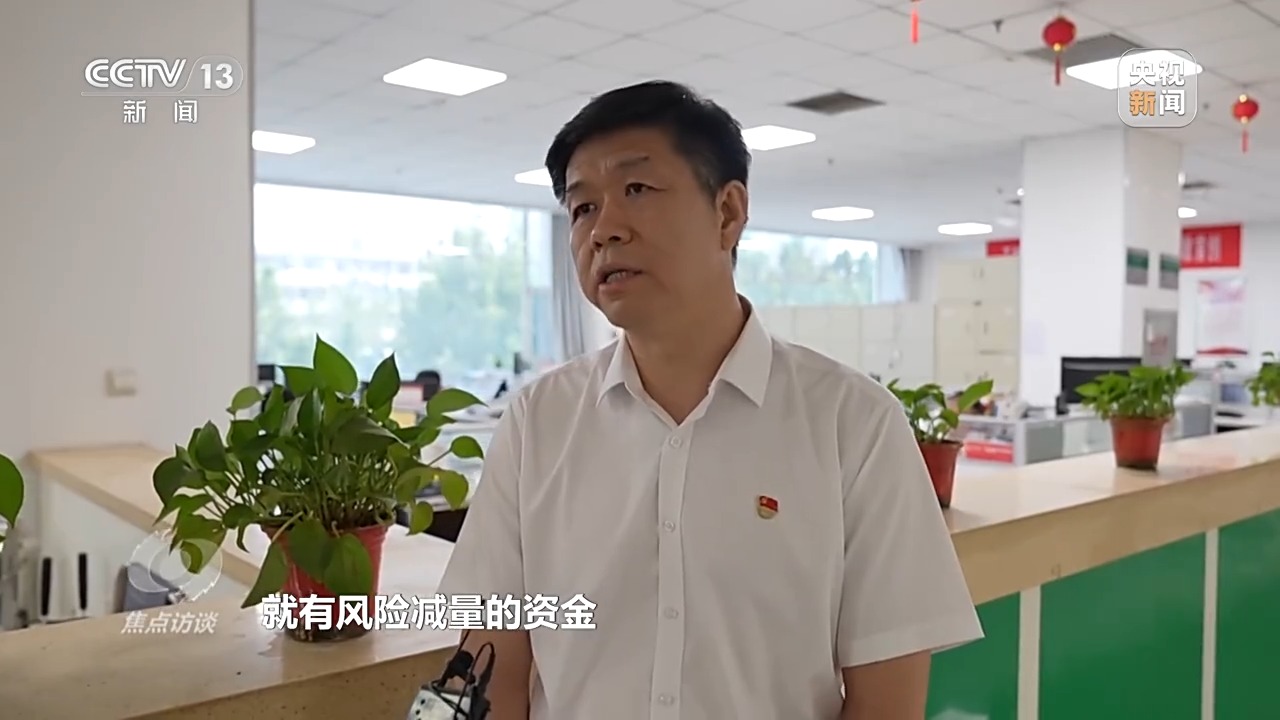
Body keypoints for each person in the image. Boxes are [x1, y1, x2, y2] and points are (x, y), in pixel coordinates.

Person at [435, 80, 982, 719]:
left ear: (727, 213)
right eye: (582, 208)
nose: (604, 229)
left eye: (637, 189)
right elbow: (489, 675)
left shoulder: (853, 423)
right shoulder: (537, 423)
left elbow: (885, 705)